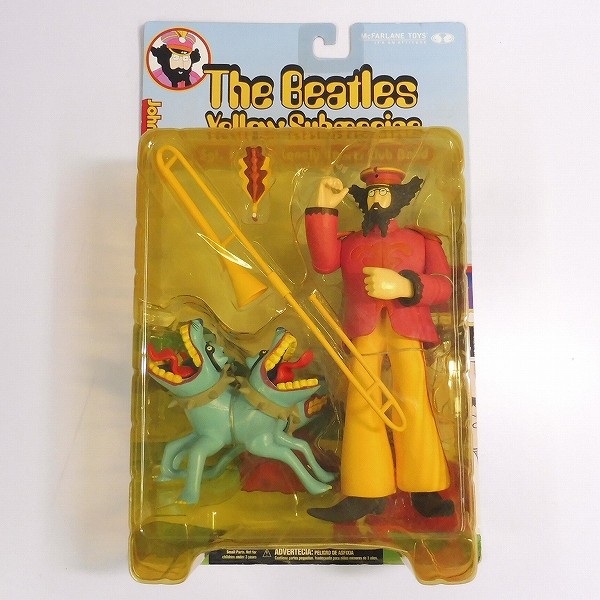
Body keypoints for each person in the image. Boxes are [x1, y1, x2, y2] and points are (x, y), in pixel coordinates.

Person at [304, 166, 455, 522]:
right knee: (362, 401)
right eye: (372, 194)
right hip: (364, 327)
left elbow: (445, 285)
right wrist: (323, 208)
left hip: (408, 327)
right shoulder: (351, 242)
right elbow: (324, 263)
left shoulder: (423, 241)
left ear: (399, 198)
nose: (376, 200)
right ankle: (365, 490)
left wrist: (406, 286)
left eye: (383, 193)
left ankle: (424, 487)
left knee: (414, 398)